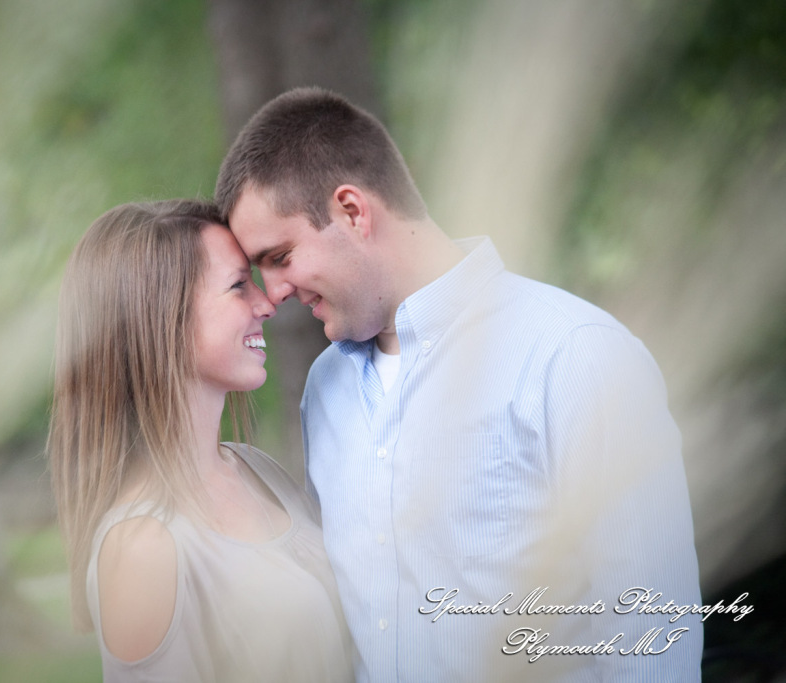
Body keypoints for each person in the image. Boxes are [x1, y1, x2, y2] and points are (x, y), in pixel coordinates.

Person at [215, 88, 704, 682]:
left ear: (352, 210)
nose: (276, 292)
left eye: (281, 256)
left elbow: (651, 640)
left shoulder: (577, 357)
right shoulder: (326, 389)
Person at [48, 199, 354, 682]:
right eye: (237, 286)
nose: (266, 302)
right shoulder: (142, 547)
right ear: (160, 318)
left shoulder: (257, 469)